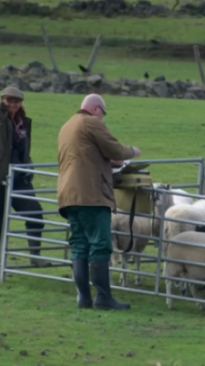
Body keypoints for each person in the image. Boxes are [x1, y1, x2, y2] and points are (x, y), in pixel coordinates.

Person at [57, 93, 141, 310]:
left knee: (79, 244)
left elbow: (87, 156)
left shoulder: (67, 126)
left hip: (69, 195)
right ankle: (103, 297)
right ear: (96, 109)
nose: (102, 118)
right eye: (102, 114)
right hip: (90, 195)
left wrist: (109, 163)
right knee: (101, 244)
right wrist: (132, 151)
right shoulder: (91, 122)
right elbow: (115, 149)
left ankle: (83, 298)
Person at [0, 53, 52, 276]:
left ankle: (35, 256)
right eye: (9, 100)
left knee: (35, 214)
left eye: (16, 101)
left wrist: (28, 168)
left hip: (18, 178)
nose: (13, 104)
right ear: (2, 100)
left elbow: (22, 150)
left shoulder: (23, 123)